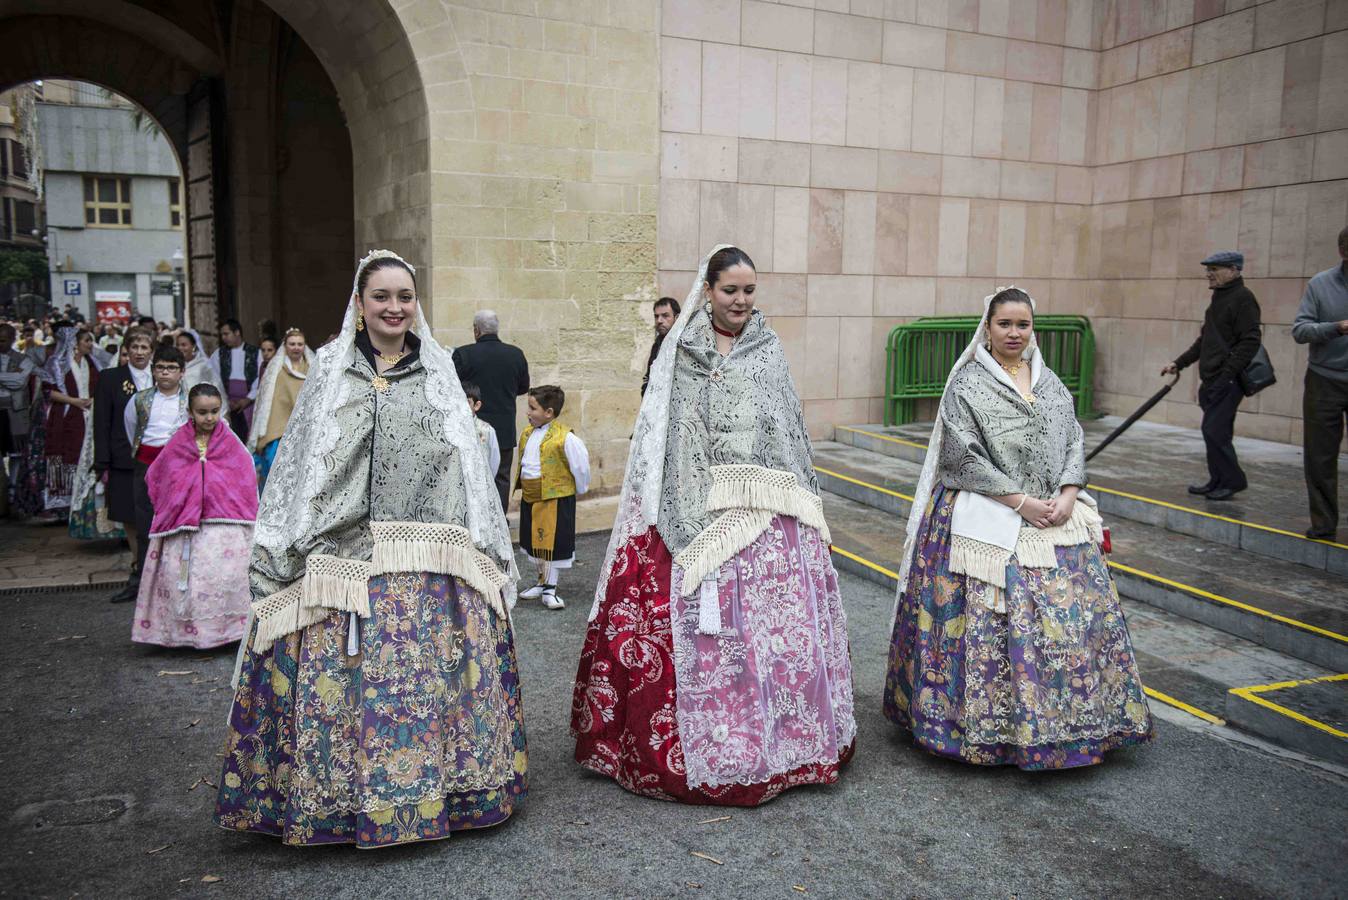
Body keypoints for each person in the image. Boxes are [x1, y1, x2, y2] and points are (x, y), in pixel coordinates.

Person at [215, 250, 526, 848]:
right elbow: (301, 468)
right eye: (381, 296)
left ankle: (448, 793)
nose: (394, 307)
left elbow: (462, 465)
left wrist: (476, 548)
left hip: (429, 560)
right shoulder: (330, 370)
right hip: (343, 562)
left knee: (430, 687)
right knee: (348, 692)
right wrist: (296, 550)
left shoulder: (437, 370)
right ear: (359, 304)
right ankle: (337, 802)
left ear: (417, 304)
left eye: (404, 297)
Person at [573, 245, 856, 805]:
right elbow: (668, 439)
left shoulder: (768, 350)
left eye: (750, 291)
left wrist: (782, 501)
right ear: (707, 290)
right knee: (707, 634)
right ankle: (707, 750)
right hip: (696, 502)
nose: (741, 301)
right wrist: (705, 510)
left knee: (774, 639)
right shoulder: (681, 353)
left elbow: (787, 431)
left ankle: (784, 744)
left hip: (769, 513)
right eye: (731, 291)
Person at [886, 286, 1152, 768]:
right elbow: (959, 454)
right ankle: (987, 729)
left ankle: (1076, 724)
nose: (1014, 332)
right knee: (993, 622)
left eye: (1023, 324)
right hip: (986, 511)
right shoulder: (966, 384)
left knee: (1071, 621)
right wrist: (1021, 502)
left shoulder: (1051, 383)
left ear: (1033, 328)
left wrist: (1069, 493)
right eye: (1005, 323)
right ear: (986, 327)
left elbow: (1073, 439)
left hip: (1055, 513)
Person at [130, 384, 256, 648]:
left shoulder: (230, 441)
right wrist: (182, 498)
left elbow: (244, 474)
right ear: (189, 412)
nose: (209, 418)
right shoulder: (177, 443)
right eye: (202, 412)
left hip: (224, 525)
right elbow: (158, 475)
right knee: (186, 582)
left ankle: (230, 633)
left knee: (225, 578)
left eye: (214, 411)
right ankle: (186, 633)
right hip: (184, 527)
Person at [1161, 251, 1262, 501]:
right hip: (1213, 378)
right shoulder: (1219, 298)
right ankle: (1217, 479)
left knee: (1214, 430)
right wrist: (1179, 363)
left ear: (1234, 270)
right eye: (1209, 269)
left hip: (1227, 380)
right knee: (1214, 431)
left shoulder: (1243, 298)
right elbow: (1205, 340)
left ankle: (1233, 480)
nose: (1209, 274)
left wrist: (1227, 375)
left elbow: (1250, 342)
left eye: (1215, 269)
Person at [1293, 227, 1348, 540]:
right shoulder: (1321, 283)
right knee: (1320, 456)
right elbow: (1300, 330)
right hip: (1324, 379)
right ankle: (1324, 523)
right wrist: (1335, 328)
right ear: (1343, 252)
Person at [514, 385, 590, 610]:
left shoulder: (565, 438)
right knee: (534, 541)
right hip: (531, 495)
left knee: (552, 544)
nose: (528, 412)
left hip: (555, 498)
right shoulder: (527, 433)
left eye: (532, 408)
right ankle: (541, 581)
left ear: (548, 412)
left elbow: (580, 466)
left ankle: (551, 588)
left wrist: (579, 489)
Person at [124, 346, 190, 604]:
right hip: (146, 465)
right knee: (145, 522)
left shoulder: (188, 401)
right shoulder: (139, 400)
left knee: (177, 523)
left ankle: (175, 579)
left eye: (171, 368)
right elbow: (132, 429)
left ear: (182, 373)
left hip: (177, 468)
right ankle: (143, 581)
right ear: (153, 371)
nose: (165, 372)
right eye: (160, 367)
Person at [95, 328, 155, 602]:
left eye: (145, 347)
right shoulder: (111, 378)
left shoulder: (162, 375)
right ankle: (137, 567)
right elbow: (102, 422)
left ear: (151, 351)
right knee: (129, 516)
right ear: (126, 351)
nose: (140, 352)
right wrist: (102, 461)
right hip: (123, 458)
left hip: (155, 458)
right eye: (135, 347)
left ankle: (153, 570)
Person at [452, 310, 529, 511]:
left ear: (476, 330)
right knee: (501, 477)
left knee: (469, 474)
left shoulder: (463, 354)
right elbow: (523, 387)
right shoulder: (516, 354)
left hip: (471, 428)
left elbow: (451, 388)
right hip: (504, 426)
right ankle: (499, 519)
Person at [39, 325, 100, 515]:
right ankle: (63, 503)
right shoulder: (57, 363)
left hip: (88, 415)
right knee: (66, 453)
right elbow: (48, 391)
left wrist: (92, 399)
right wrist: (73, 401)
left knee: (86, 454)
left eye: (91, 340)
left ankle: (83, 499)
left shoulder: (92, 363)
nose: (90, 344)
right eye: (87, 341)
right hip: (66, 414)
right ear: (75, 343)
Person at [246, 327, 314, 492]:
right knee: (273, 465)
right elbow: (266, 401)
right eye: (292, 344)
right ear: (285, 345)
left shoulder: (313, 368)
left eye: (300, 344)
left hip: (305, 428)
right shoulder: (276, 370)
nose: (296, 347)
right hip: (278, 428)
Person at [208, 318, 262, 441]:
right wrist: (225, 399)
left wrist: (248, 399)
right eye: (222, 335)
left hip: (250, 402)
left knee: (249, 434)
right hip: (226, 401)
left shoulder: (255, 353)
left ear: (237, 332)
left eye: (226, 334)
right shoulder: (219, 354)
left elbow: (261, 377)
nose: (223, 338)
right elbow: (214, 377)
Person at [641, 296, 681, 395]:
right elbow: (648, 377)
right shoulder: (657, 344)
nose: (659, 320)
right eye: (656, 316)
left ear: (677, 318)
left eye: (665, 315)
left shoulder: (685, 344)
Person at [463, 380, 501, 481]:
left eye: (466, 402)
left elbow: (494, 460)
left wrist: (488, 482)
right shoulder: (450, 429)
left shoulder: (487, 430)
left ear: (476, 405)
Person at [175, 329, 226, 396]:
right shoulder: (174, 365)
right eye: (178, 345)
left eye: (184, 345)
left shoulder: (204, 364)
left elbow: (216, 384)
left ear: (193, 346)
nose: (180, 348)